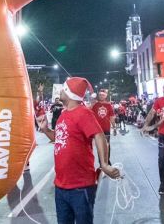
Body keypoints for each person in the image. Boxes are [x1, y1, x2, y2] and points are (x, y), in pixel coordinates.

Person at [36, 77, 119, 224]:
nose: (60, 91)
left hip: (81, 187)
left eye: (63, 88)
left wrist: (104, 164)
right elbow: (58, 137)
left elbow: (99, 136)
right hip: (61, 186)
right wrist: (45, 130)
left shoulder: (83, 113)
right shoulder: (63, 115)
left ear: (69, 93)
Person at [89, 89, 115, 159]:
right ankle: (102, 163)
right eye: (100, 95)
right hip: (97, 129)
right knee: (99, 146)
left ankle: (107, 161)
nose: (101, 96)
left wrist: (114, 127)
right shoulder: (95, 104)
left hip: (106, 128)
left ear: (105, 96)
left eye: (103, 95)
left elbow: (112, 117)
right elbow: (88, 112)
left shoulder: (108, 105)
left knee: (107, 145)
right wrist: (91, 104)